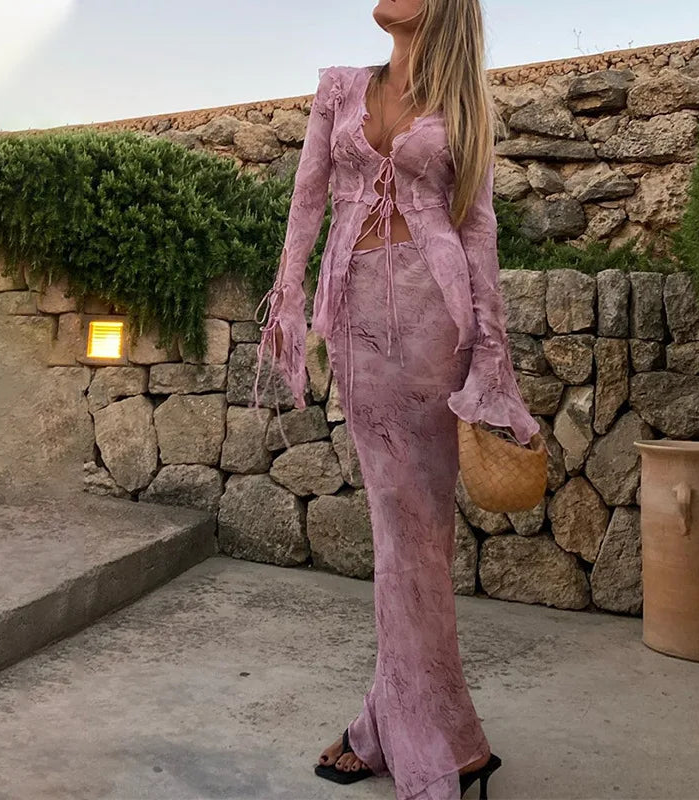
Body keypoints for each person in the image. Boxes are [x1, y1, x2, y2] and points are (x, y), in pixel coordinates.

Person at [253, 1, 546, 797]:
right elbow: (307, 201)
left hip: (433, 320)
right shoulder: (340, 88)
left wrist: (491, 355)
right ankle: (432, 733)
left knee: (417, 538)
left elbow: (478, 231)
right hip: (355, 323)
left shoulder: (464, 108)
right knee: (400, 534)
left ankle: (416, 738)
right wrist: (288, 299)